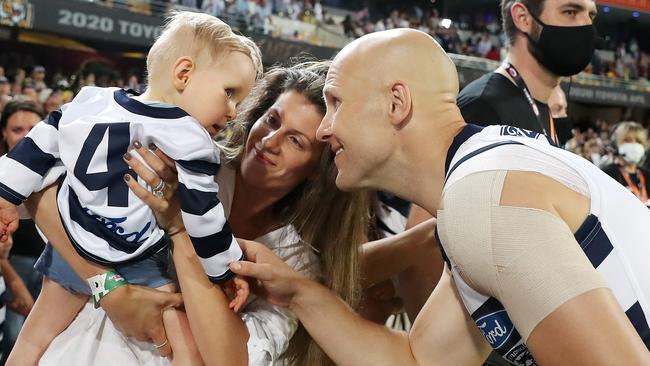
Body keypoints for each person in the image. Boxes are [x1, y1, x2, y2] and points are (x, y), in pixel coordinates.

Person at [229, 28, 650, 366]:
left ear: (397, 103)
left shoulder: (483, 200)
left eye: (336, 102)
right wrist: (299, 292)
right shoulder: (477, 185)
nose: (325, 129)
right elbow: (419, 358)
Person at [14, 61, 372, 366]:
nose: (269, 141)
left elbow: (230, 359)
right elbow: (42, 190)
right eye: (272, 119)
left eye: (296, 140)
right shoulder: (187, 155)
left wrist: (179, 228)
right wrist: (109, 289)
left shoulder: (295, 260)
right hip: (74, 348)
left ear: (317, 167)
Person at [0, 11, 262, 364]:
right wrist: (225, 269)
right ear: (184, 74)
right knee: (177, 332)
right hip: (134, 258)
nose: (232, 112)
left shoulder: (92, 100)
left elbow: (39, 144)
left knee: (33, 339)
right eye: (230, 94)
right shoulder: (191, 139)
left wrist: (4, 194)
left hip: (73, 244)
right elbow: (204, 218)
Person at [457, 0, 597, 146]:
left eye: (591, 16)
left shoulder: (541, 105)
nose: (587, 24)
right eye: (570, 12)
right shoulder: (482, 107)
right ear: (523, 18)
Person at [0, 100, 45, 360]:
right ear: (4, 134)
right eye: (17, 129)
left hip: (56, 269)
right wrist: (15, 284)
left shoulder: (65, 174)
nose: (27, 137)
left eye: (34, 128)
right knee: (16, 340)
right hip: (13, 268)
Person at [602, 122, 650, 206]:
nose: (634, 145)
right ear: (616, 145)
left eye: (638, 141)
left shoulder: (647, 174)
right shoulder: (607, 174)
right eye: (628, 140)